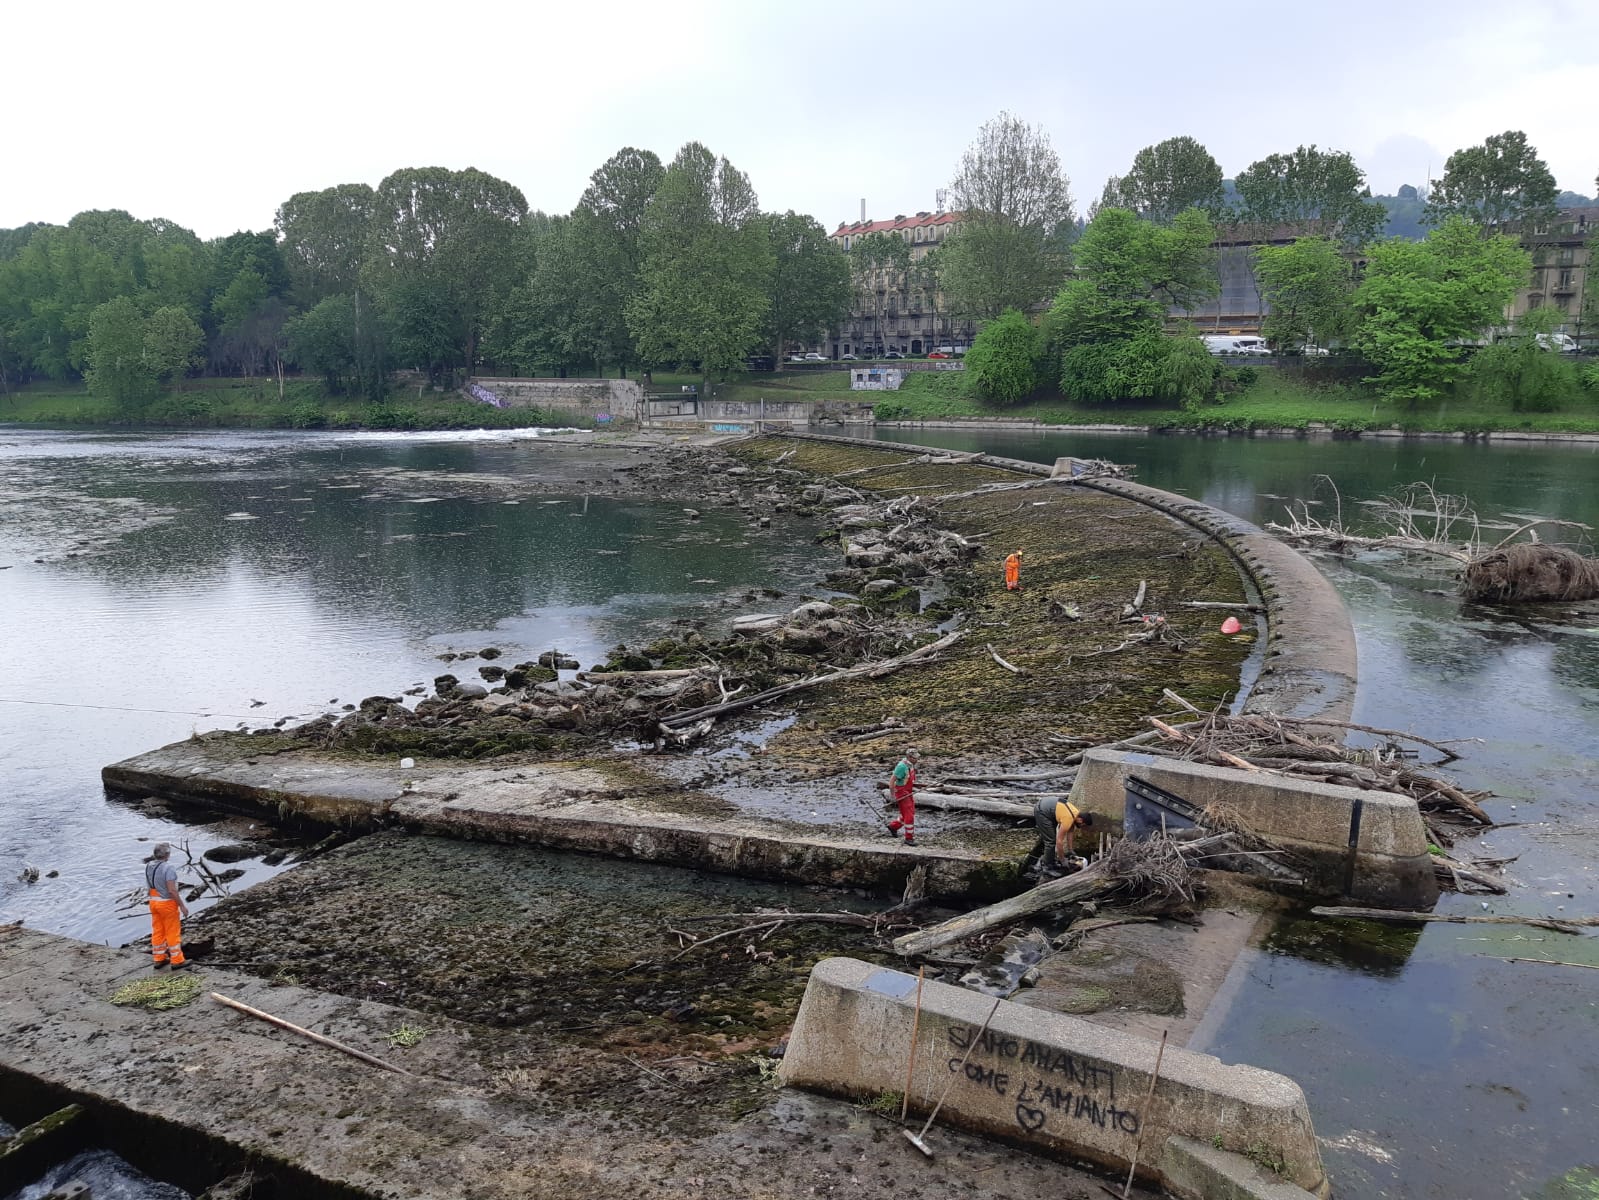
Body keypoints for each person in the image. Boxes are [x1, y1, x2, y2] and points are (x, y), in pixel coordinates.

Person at [144, 843, 189, 970]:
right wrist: (182, 905)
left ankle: (159, 959)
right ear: (167, 854)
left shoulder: (149, 866)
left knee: (158, 930)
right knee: (172, 932)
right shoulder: (168, 868)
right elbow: (172, 890)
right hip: (167, 904)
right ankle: (177, 960)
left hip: (153, 902)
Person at [1031, 795, 1094, 876]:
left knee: (1051, 838)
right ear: (1081, 819)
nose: (1082, 826)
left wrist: (1071, 850)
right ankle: (1047, 867)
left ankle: (1051, 861)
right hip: (1042, 811)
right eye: (1083, 824)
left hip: (1050, 811)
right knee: (1050, 841)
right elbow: (1059, 841)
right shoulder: (1068, 818)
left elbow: (1070, 833)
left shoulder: (1074, 814)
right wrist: (1062, 860)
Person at [885, 747, 920, 846]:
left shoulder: (911, 765)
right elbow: (892, 781)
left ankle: (893, 827)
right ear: (909, 757)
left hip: (908, 791)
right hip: (902, 793)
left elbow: (910, 780)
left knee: (910, 812)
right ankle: (909, 838)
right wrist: (893, 796)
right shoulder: (901, 767)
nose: (916, 760)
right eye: (914, 758)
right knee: (909, 816)